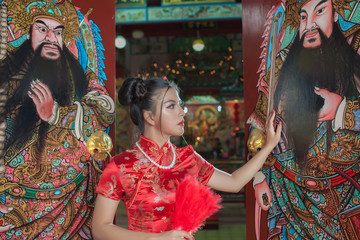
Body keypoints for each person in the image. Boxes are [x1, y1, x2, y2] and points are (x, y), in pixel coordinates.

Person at [92, 77, 281, 240]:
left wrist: (268, 146)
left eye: (180, 105)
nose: (182, 112)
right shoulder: (122, 165)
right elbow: (100, 228)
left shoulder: (187, 158)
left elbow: (234, 183)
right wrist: (157, 238)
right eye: (171, 106)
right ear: (149, 116)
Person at [0, 0, 115, 239]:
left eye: (58, 32)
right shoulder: (8, 75)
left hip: (74, 205)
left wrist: (56, 114)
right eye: (43, 29)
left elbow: (105, 110)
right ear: (29, 33)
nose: (52, 38)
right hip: (12, 205)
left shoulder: (79, 78)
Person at [248, 0, 360, 239]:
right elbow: (258, 128)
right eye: (302, 16)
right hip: (286, 192)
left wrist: (342, 109)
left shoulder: (355, 50)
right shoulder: (282, 62)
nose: (309, 25)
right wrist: (259, 177)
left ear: (336, 14)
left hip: (345, 193)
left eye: (320, 11)